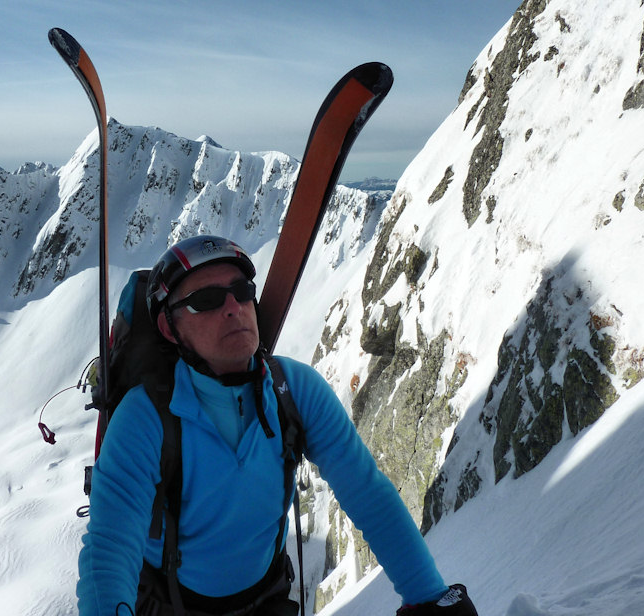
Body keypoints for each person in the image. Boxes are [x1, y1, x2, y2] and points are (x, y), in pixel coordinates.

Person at [77, 235, 479, 616]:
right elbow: (110, 548)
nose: (233, 307)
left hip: (266, 599)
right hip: (167, 604)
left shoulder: (294, 391)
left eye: (242, 291)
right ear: (170, 328)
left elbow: (367, 494)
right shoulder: (146, 417)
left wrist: (429, 598)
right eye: (207, 300)